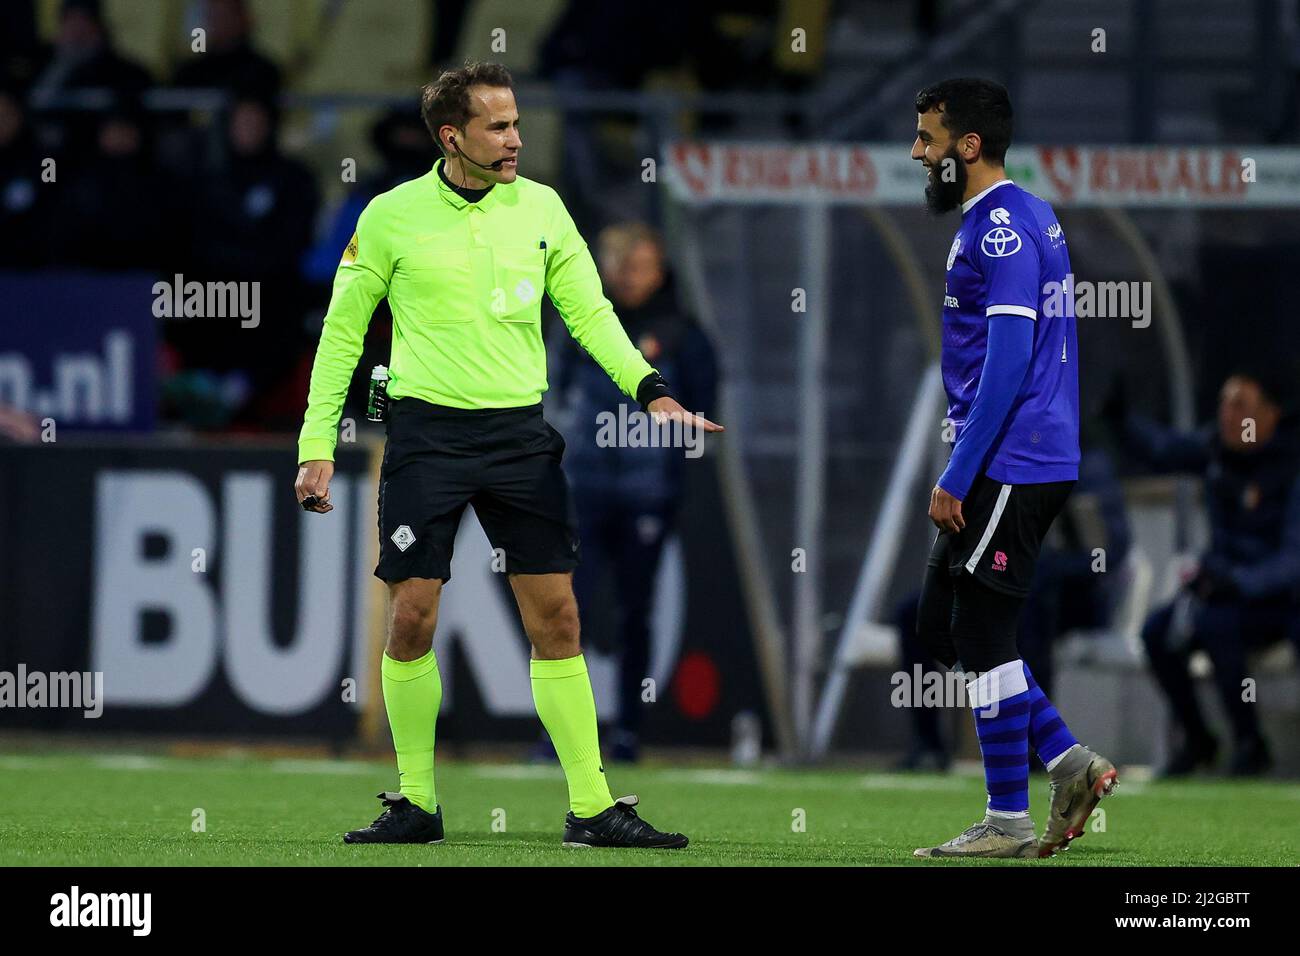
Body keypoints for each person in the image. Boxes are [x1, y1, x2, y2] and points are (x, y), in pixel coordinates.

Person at [293, 62, 722, 848]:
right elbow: (342, 335)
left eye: (517, 122)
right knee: (413, 616)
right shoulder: (390, 216)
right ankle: (416, 803)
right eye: (497, 126)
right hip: (425, 437)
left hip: (520, 438)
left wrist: (650, 387)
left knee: (558, 616)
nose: (516, 138)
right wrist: (316, 444)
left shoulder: (546, 210)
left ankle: (592, 809)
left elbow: (591, 314)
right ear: (452, 137)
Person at [907, 77, 1117, 859]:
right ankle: (1068, 761)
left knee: (979, 626)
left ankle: (1007, 819)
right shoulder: (1019, 216)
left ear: (967, 148)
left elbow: (1007, 362)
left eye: (928, 140)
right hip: (1015, 452)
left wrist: (958, 471)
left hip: (1012, 456)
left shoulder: (999, 230)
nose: (917, 154)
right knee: (941, 624)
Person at [552, 222, 719, 762]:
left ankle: (627, 730)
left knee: (634, 611)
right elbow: (551, 393)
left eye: (640, 265)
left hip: (648, 494)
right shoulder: (579, 324)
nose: (630, 277)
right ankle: (562, 733)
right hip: (586, 486)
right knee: (565, 609)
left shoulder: (681, 333)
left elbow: (704, 408)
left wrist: (679, 477)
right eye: (621, 265)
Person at [1123, 370, 1300, 777]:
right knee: (1156, 632)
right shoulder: (1218, 451)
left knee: (1218, 623)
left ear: (1270, 415)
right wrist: (1121, 419)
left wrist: (1237, 582)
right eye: (1224, 403)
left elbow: (1292, 561)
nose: (1228, 414)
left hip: (1279, 601)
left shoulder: (1290, 467)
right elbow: (1163, 450)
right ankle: (1199, 739)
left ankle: (1250, 742)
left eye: (1241, 406)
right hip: (1225, 593)